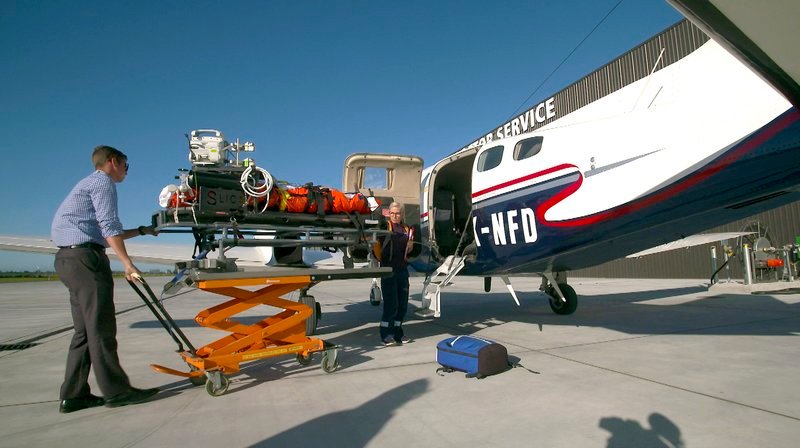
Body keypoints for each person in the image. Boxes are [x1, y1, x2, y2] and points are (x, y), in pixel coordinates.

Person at [51, 145, 160, 413]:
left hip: (68, 259)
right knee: (100, 328)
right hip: (87, 261)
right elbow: (109, 227)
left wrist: (143, 231)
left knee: (84, 332)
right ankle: (118, 391)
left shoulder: (86, 184)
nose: (125, 171)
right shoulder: (102, 183)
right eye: (125, 165)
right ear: (112, 162)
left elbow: (105, 232)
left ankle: (74, 395)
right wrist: (127, 263)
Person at [374, 202, 414, 346]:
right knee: (391, 304)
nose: (394, 216)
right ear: (388, 214)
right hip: (388, 270)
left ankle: (398, 333)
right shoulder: (385, 227)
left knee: (402, 304)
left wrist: (410, 246)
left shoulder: (406, 229)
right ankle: (386, 334)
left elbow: (408, 251)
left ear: (402, 214)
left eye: (397, 213)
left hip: (402, 270)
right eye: (392, 213)